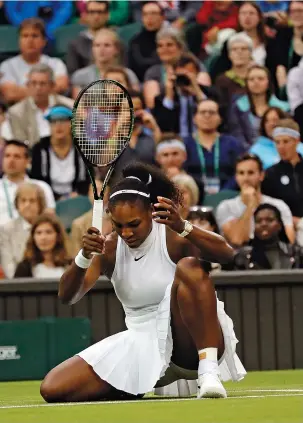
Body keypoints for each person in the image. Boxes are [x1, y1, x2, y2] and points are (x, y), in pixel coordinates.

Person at [40, 162, 246, 402]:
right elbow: (67, 296)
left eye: (134, 224)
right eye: (119, 226)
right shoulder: (108, 249)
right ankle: (131, 385)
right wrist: (83, 256)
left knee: (189, 266)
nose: (126, 233)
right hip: (139, 345)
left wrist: (183, 227)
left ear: (150, 211)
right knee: (53, 388)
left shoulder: (172, 236)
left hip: (187, 344)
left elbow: (227, 254)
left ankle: (209, 374)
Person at [216, 153, 295, 247]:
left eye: (251, 173)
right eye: (241, 173)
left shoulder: (279, 205)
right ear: (236, 177)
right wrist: (250, 207)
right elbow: (237, 240)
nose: (245, 178)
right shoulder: (225, 207)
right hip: (238, 259)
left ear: (261, 175)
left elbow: (289, 242)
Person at [2, 64, 73, 148]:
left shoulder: (70, 106)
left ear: (52, 86)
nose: (38, 88)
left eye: (42, 84)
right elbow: (20, 144)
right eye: (34, 83)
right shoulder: (16, 112)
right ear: (27, 86)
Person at [0, 18, 69, 104]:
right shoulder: (7, 66)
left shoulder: (56, 63)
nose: (30, 40)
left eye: (35, 36)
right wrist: (46, 90)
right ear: (19, 40)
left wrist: (21, 91)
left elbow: (61, 86)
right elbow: (11, 94)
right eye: (25, 36)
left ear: (44, 41)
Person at [184, 99, 245, 195]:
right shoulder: (185, 144)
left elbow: (240, 172)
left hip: (228, 196)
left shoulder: (232, 143)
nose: (207, 116)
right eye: (202, 112)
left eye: (212, 112)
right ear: (194, 118)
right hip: (193, 196)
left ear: (220, 119)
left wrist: (224, 193)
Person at [31, 106, 90, 200]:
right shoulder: (39, 148)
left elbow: (87, 179)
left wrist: (78, 195)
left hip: (78, 198)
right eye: (53, 121)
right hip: (47, 199)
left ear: (71, 123)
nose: (58, 125)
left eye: (63, 120)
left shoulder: (82, 146)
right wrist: (57, 198)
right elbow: (37, 180)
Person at [152, 53, 213, 138]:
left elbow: (211, 113)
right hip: (176, 142)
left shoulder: (210, 93)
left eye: (189, 73)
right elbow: (164, 126)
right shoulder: (161, 99)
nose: (185, 78)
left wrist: (197, 90)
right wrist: (169, 94)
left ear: (198, 73)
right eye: (181, 75)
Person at [228, 65, 289, 148]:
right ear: (247, 83)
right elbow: (237, 135)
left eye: (260, 79)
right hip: (249, 154)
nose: (256, 82)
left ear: (268, 82)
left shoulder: (284, 108)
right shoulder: (238, 107)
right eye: (251, 79)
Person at [71, 28, 140, 99]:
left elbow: (136, 102)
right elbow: (78, 106)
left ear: (117, 49)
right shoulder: (80, 75)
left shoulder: (128, 74)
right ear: (92, 49)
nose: (101, 49)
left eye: (107, 45)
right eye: (97, 45)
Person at [0, 140, 55, 225]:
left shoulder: (42, 186)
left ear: (27, 161)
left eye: (17, 156)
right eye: (7, 156)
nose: (11, 160)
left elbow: (50, 218)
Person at [233, 203, 303, 270]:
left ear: (279, 225)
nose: (263, 224)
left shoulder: (296, 253)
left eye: (269, 220)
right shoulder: (244, 256)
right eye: (258, 221)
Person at [262, 119, 303, 227]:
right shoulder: (270, 174)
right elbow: (270, 209)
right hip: (285, 229)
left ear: (297, 141)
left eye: (286, 141)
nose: (281, 147)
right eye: (277, 142)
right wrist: (296, 222)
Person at [0, 182, 46, 278]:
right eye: (23, 201)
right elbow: (8, 267)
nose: (27, 205)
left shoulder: (51, 226)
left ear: (40, 204)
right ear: (17, 204)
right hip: (19, 284)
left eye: (32, 201)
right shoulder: (6, 230)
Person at [14, 214, 71, 278]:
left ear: (58, 236)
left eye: (48, 232)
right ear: (33, 237)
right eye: (39, 233)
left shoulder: (70, 264)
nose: (43, 237)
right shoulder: (24, 267)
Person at [66, 1, 109, 76]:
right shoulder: (75, 44)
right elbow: (72, 75)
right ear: (85, 15)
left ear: (107, 15)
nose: (96, 16)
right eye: (92, 12)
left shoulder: (117, 42)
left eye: (100, 12)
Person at [70, 180, 112, 256]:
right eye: (94, 190)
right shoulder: (78, 224)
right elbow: (75, 256)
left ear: (108, 193)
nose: (98, 193)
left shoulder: (117, 220)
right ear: (88, 194)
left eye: (102, 189)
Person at [215, 33, 253, 112]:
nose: (239, 52)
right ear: (229, 55)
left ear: (250, 53)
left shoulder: (258, 76)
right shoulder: (222, 80)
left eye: (244, 49)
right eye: (234, 49)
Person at [128, 1, 165, 82]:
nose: (149, 17)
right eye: (145, 14)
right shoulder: (135, 42)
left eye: (153, 13)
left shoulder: (170, 40)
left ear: (162, 17)